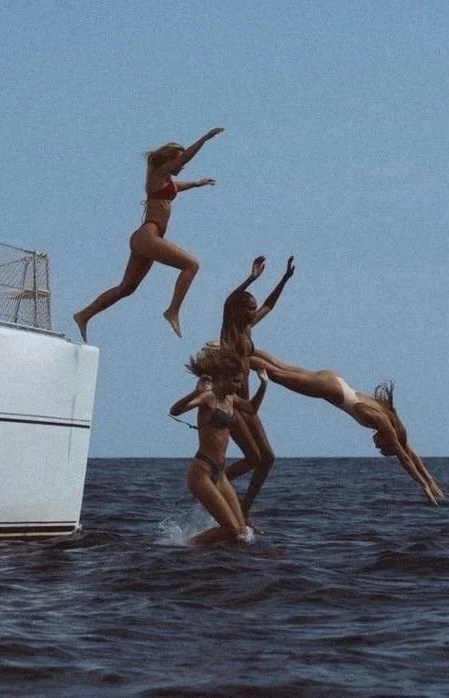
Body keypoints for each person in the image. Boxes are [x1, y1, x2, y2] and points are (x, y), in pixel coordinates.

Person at [222, 256, 444, 506]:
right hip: (327, 388)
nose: (377, 446)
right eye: (382, 447)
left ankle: (241, 509)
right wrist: (422, 485)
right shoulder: (383, 421)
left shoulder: (389, 419)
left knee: (271, 365)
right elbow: (404, 456)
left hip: (333, 379)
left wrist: (431, 481)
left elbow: (408, 451)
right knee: (274, 373)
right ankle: (222, 356)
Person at [73, 127, 224, 341]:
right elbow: (184, 158)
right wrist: (205, 138)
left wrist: (197, 183)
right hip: (148, 236)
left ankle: (83, 315)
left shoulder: (166, 181)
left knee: (126, 288)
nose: (182, 166)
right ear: (170, 160)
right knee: (191, 265)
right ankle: (172, 311)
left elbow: (178, 186)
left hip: (145, 240)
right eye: (179, 162)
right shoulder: (157, 174)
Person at [216, 255, 296, 524]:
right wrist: (250, 278)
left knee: (267, 458)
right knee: (252, 458)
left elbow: (269, 305)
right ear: (238, 310)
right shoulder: (229, 330)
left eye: (253, 309)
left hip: (247, 403)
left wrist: (284, 279)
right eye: (249, 308)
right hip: (230, 402)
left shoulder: (248, 328)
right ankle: (216, 482)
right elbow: (228, 302)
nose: (253, 312)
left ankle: (244, 510)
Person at [169, 348, 269, 545]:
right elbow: (175, 410)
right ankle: (184, 546)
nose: (239, 386)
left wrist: (263, 385)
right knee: (231, 529)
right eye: (236, 381)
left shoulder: (231, 399)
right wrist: (195, 392)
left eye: (240, 382)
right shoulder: (208, 397)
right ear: (223, 378)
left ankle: (210, 554)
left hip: (220, 474)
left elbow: (251, 408)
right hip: (201, 472)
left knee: (241, 532)